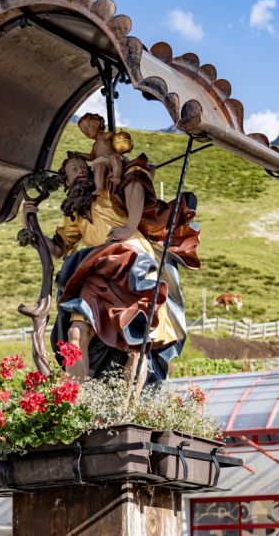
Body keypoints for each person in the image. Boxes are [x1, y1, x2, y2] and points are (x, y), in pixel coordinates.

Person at [23, 153, 199, 383]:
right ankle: (75, 402)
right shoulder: (75, 214)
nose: (81, 171)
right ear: (67, 182)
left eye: (82, 166)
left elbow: (138, 180)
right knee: (76, 333)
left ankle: (129, 407)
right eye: (74, 169)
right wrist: (31, 224)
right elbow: (58, 248)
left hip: (131, 263)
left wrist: (129, 226)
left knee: (137, 345)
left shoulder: (110, 188)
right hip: (96, 270)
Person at [73, 113, 124, 193]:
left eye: (86, 127)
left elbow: (118, 139)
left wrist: (121, 136)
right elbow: (91, 156)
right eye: (83, 132)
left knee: (115, 158)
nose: (86, 132)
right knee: (99, 167)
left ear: (97, 123)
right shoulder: (95, 145)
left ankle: (117, 176)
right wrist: (79, 154)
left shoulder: (107, 135)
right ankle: (99, 188)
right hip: (101, 161)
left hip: (111, 158)